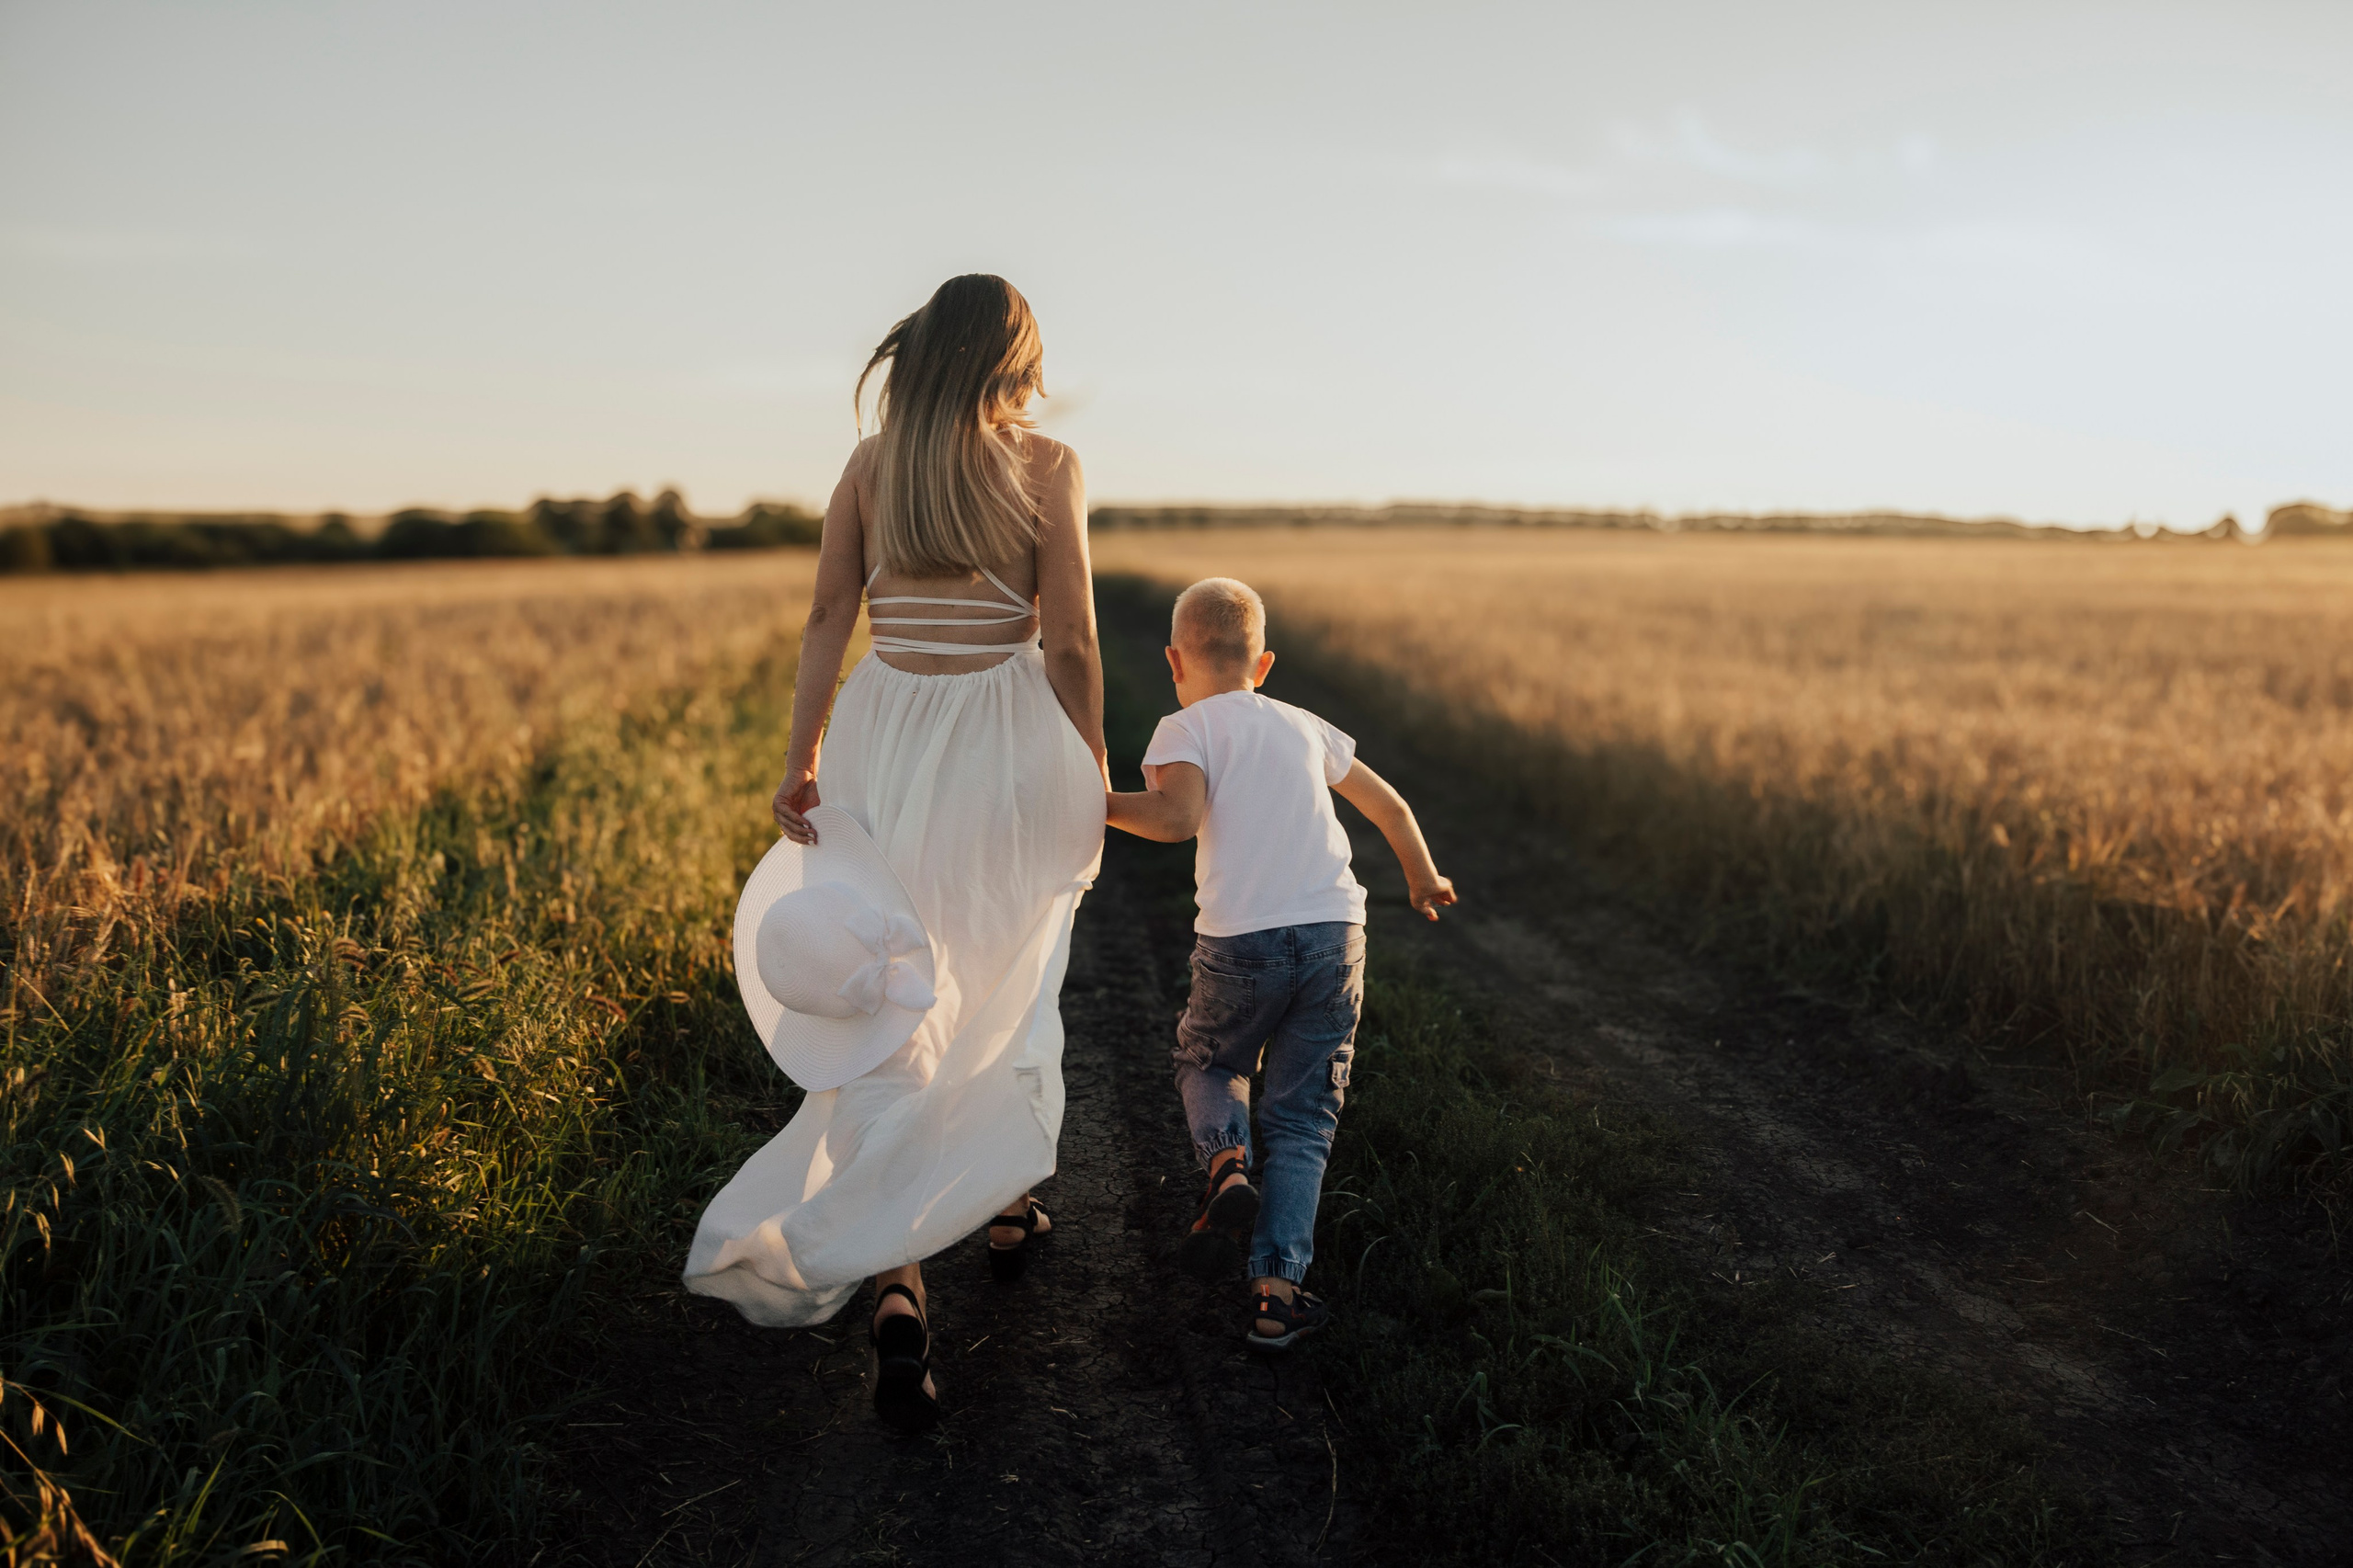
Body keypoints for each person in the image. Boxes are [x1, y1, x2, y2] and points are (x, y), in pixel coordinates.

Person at [681, 275, 1107, 1432]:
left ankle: (899, 1276)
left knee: (891, 986)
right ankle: (1008, 1198)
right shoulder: (1047, 466)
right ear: (1011, 355)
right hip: (1004, 736)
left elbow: (829, 619)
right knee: (1003, 963)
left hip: (884, 728)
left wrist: (799, 757)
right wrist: (1093, 762)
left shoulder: (872, 466)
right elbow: (1065, 633)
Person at [1106, 578, 1455, 1349]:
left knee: (1208, 1059)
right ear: (1263, 664)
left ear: (1173, 660)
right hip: (1337, 934)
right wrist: (1422, 876)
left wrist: (1094, 801)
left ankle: (1226, 1164)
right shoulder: (1305, 725)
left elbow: (1175, 818)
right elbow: (1389, 806)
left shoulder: (1183, 727)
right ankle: (1276, 1292)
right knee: (1303, 1119)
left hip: (1242, 942)